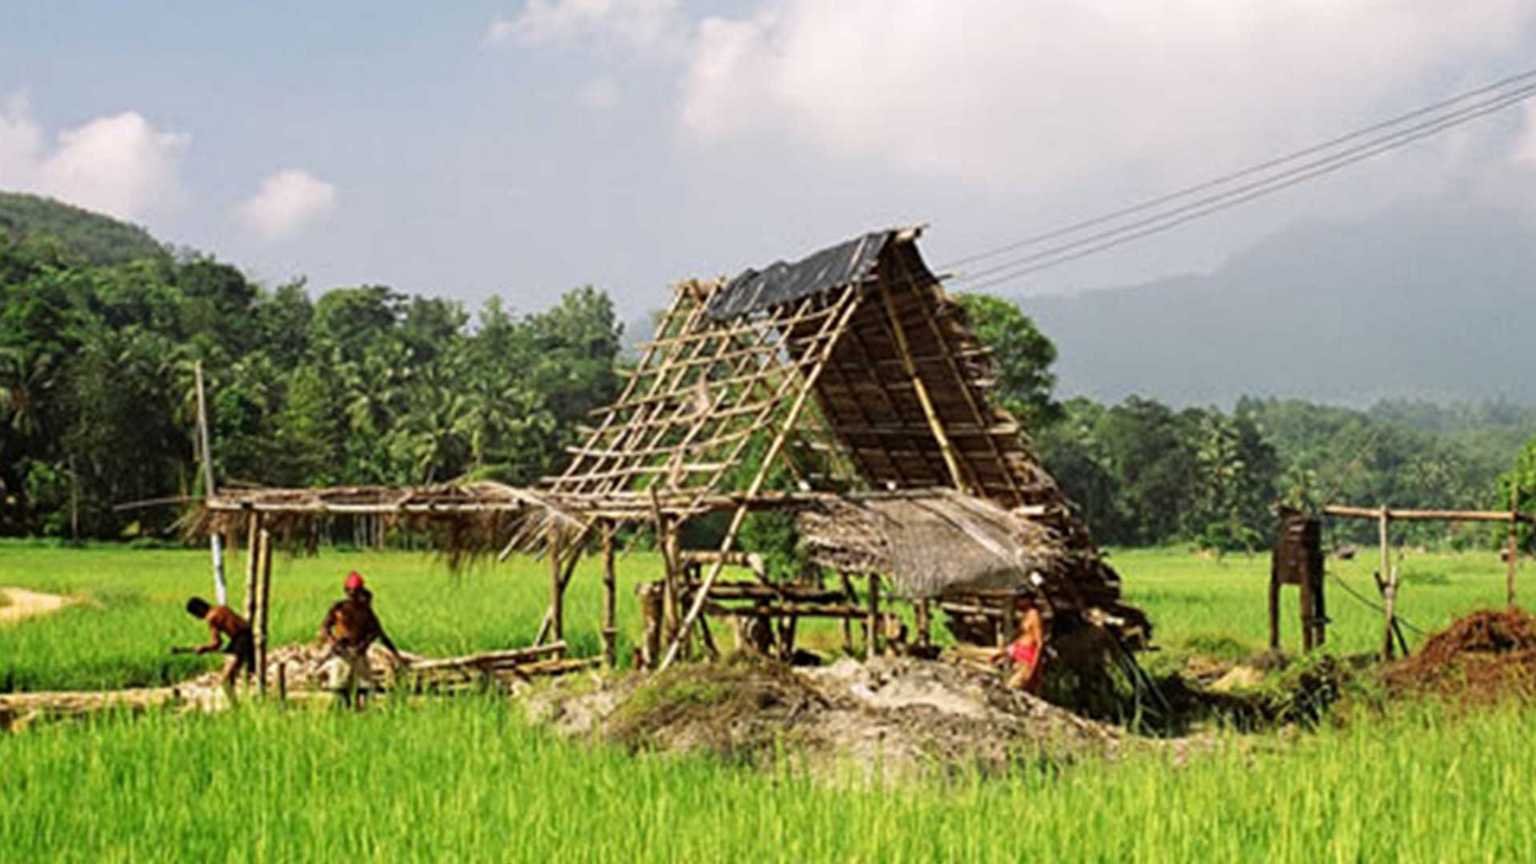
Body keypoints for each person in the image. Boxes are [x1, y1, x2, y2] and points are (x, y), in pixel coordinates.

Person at [317, 571, 405, 707]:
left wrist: (393, 653)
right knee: (340, 688)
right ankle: (344, 711)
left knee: (364, 688)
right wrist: (334, 643)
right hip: (342, 654)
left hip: (359, 653)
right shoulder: (338, 608)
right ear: (346, 591)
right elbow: (325, 628)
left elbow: (378, 632)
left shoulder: (365, 611)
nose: (353, 595)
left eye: (356, 592)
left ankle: (361, 711)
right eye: (351, 591)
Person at [172, 596, 254, 696]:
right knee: (235, 675)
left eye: (195, 614)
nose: (197, 618)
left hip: (240, 640)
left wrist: (204, 648)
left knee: (225, 681)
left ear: (199, 610)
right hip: (245, 636)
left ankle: (236, 704)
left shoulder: (211, 617)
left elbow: (217, 643)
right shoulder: (221, 608)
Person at [991, 596, 1047, 694]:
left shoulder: (1034, 615)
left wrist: (1033, 668)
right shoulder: (1026, 615)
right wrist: (1002, 653)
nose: (1018, 603)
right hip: (1018, 659)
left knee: (1009, 689)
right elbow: (1019, 641)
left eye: (1020, 600)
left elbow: (1039, 643)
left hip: (1026, 663)